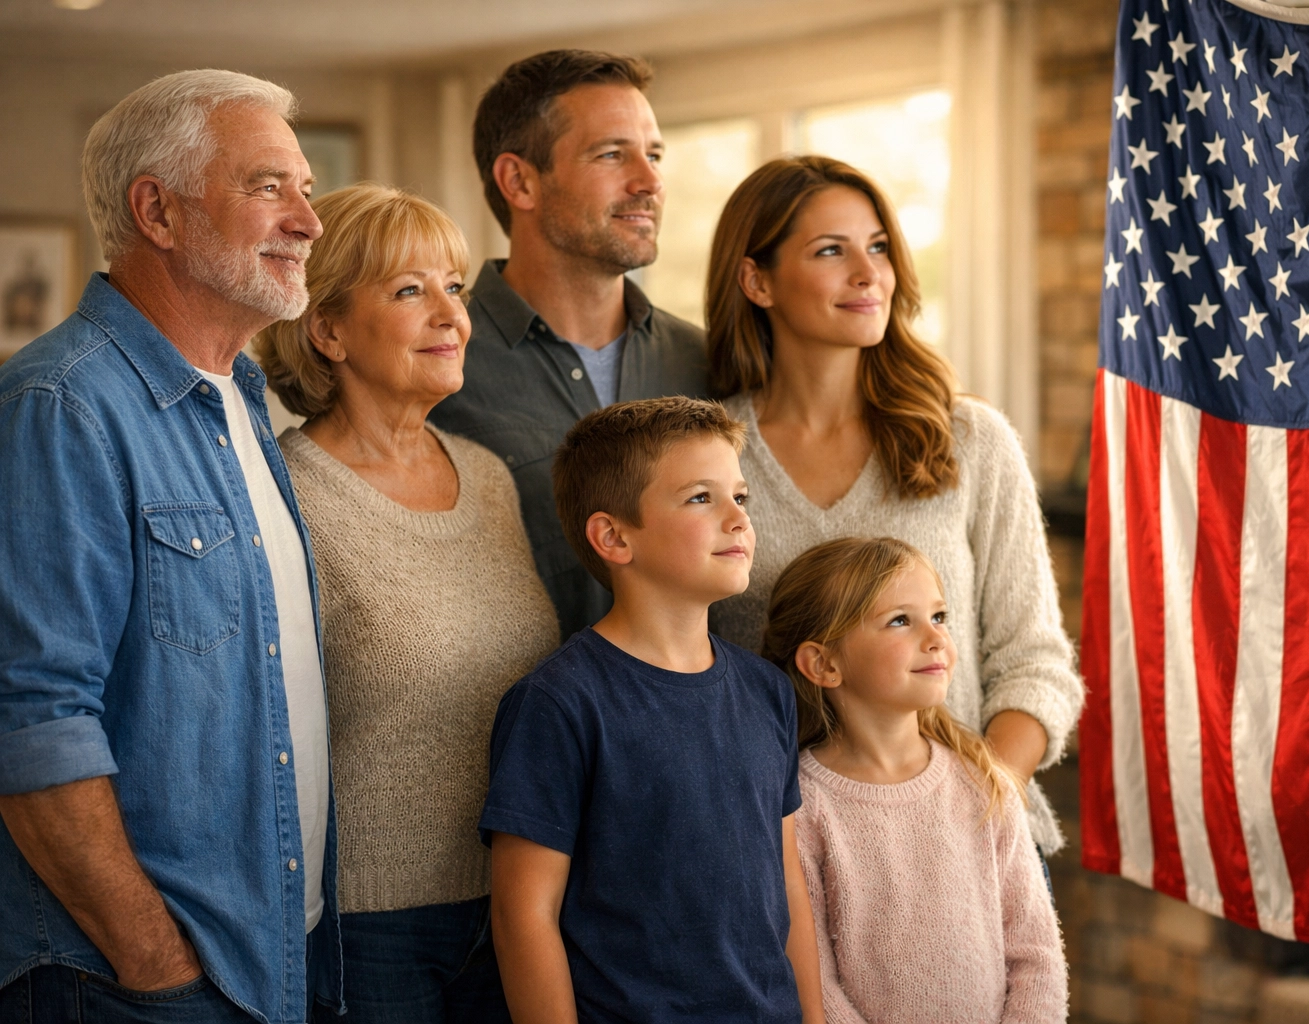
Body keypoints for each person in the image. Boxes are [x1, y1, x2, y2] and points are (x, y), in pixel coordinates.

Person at [0, 71, 340, 1022]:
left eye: (305, 189)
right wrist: (156, 966)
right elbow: (32, 724)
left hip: (264, 953)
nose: (308, 221)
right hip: (132, 983)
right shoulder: (59, 404)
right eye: (270, 186)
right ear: (157, 210)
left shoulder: (238, 397)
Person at [706, 155, 1084, 862]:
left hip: (973, 844)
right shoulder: (712, 457)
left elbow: (1035, 663)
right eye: (831, 251)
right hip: (786, 855)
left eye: (877, 246)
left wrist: (972, 804)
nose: (868, 272)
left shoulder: (970, 441)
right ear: (757, 280)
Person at [253, 183, 560, 1024]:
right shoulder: (286, 496)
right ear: (328, 329)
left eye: (454, 288)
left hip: (521, 904)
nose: (450, 316)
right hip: (371, 930)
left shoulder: (490, 479)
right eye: (408, 291)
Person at [481, 398, 825, 1024]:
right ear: (614, 536)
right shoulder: (559, 704)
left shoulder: (767, 692)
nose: (737, 519)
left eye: (740, 498)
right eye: (701, 498)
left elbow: (788, 886)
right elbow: (523, 916)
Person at [430, 49, 709, 640]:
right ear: (520, 181)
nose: (650, 181)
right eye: (612, 154)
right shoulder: (436, 363)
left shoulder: (705, 363)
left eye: (654, 154)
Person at [763, 537, 1067, 1024]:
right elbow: (814, 981)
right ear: (824, 664)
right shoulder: (801, 807)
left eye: (939, 616)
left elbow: (1037, 955)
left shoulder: (984, 784)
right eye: (901, 620)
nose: (935, 638)